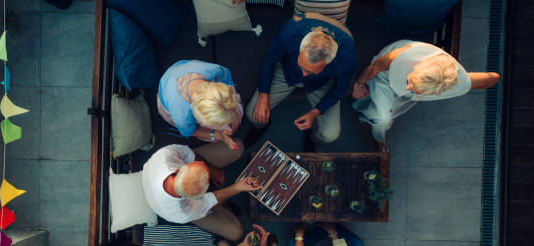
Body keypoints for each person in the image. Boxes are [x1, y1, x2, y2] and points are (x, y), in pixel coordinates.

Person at [352, 39, 501, 143]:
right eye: (410, 81)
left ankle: (374, 127)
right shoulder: (401, 57)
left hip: (405, 86)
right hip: (385, 77)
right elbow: (375, 68)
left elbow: (494, 78)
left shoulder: (458, 83)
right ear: (417, 67)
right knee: (383, 117)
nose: (408, 88)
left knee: (385, 115)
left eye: (418, 90)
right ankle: (371, 121)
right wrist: (360, 83)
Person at [246, 12, 356, 144]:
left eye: (311, 71)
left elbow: (340, 88)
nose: (303, 75)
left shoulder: (347, 55)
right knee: (253, 114)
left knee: (330, 135)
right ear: (301, 47)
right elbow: (269, 60)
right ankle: (262, 127)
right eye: (302, 65)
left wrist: (315, 112)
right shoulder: (290, 30)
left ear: (329, 61)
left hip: (320, 83)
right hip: (287, 72)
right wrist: (263, 96)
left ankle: (312, 139)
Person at [141, 143, 261, 241]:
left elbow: (186, 152)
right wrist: (237, 188)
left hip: (169, 184)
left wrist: (212, 170)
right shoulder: (182, 212)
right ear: (193, 198)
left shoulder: (165, 156)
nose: (203, 164)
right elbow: (208, 202)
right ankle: (226, 208)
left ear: (178, 169)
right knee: (236, 232)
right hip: (190, 211)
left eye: (199, 165)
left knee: (237, 147)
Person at [158, 60, 243, 151]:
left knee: (233, 115)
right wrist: (218, 135)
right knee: (227, 127)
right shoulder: (182, 117)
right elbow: (191, 131)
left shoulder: (215, 70)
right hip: (166, 99)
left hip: (177, 71)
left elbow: (227, 82)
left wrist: (232, 110)